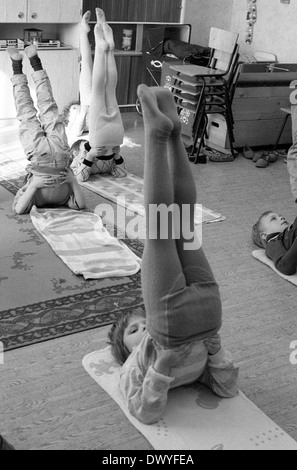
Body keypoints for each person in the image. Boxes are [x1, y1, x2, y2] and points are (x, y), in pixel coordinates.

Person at [108, 85, 239, 425]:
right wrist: (203, 354)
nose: (141, 327)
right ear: (128, 354)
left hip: (209, 308)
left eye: (136, 324)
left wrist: (171, 367)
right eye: (135, 331)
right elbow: (143, 412)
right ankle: (157, 135)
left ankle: (175, 133)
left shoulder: (148, 362)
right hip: (187, 321)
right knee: (162, 230)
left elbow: (224, 388)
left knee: (181, 222)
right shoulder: (136, 366)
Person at [7, 45, 86, 215]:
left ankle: (16, 65)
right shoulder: (67, 200)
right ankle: (35, 61)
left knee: (25, 111)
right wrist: (73, 181)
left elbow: (19, 209)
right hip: (61, 152)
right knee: (48, 105)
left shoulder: (32, 196)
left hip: (37, 154)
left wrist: (34, 185)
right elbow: (82, 205)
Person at [67, 9, 127, 182]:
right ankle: (99, 43)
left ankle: (94, 38)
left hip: (106, 123)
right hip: (92, 108)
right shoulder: (83, 146)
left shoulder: (75, 130)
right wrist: (89, 155)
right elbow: (79, 175)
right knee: (102, 83)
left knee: (96, 73)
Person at [252, 211, 297, 276]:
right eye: (273, 219)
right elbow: (284, 266)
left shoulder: (290, 230)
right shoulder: (272, 243)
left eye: (281, 216)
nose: (282, 218)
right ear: (264, 235)